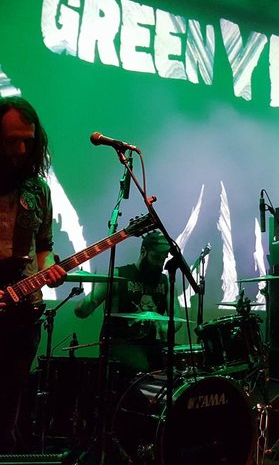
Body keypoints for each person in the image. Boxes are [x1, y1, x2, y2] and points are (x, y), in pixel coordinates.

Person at [0, 96, 66, 452]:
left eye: (28, 141)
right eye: (12, 141)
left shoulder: (38, 189)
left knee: (9, 406)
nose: (22, 150)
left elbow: (44, 245)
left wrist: (48, 267)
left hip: (23, 312)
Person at [74, 231, 183, 374]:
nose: (160, 264)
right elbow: (82, 310)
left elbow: (177, 317)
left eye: (163, 259)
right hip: (118, 344)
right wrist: (86, 305)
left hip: (148, 345)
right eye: (156, 257)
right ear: (143, 251)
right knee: (144, 365)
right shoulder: (119, 276)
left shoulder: (165, 282)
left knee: (180, 364)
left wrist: (166, 328)